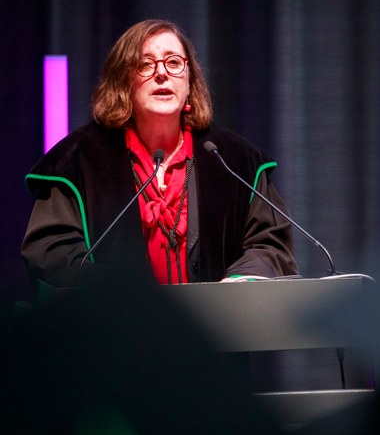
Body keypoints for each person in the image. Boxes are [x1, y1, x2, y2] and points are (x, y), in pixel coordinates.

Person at [21, 19, 299, 292]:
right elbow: (51, 252)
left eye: (174, 62)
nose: (162, 73)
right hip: (112, 318)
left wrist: (239, 282)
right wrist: (115, 291)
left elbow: (269, 243)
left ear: (189, 82)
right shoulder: (78, 160)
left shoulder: (234, 159)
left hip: (217, 320)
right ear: (122, 82)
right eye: (145, 64)